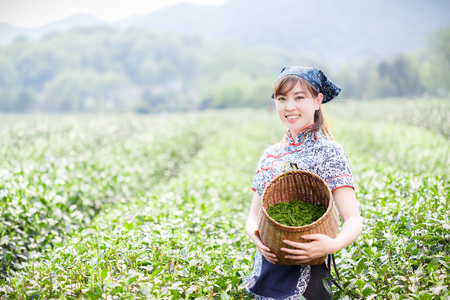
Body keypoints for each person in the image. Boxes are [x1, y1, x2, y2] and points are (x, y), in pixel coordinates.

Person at [244, 66, 363, 299]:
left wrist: (331, 245)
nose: (290, 107)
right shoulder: (270, 155)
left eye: (299, 97)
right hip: (267, 272)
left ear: (317, 100)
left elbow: (354, 220)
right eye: (282, 98)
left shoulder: (330, 152)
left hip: (311, 275)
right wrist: (256, 236)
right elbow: (252, 217)